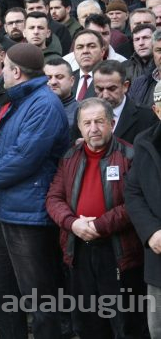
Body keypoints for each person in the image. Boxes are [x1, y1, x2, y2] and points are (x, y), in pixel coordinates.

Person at [0, 43, 70, 339]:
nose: (0, 70)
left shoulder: (44, 104)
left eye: (5, 65)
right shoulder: (9, 100)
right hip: (3, 209)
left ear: (15, 71)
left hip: (30, 214)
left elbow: (26, 156)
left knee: (39, 296)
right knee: (0, 288)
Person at [47, 97, 146, 339]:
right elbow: (53, 198)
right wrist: (73, 224)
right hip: (78, 248)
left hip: (117, 251)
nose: (93, 129)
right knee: (87, 322)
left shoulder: (130, 155)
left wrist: (99, 225)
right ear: (79, 127)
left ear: (111, 123)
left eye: (100, 122)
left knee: (125, 322)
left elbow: (136, 202)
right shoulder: (70, 156)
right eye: (87, 123)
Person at [125, 80, 161, 339]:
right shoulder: (145, 142)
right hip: (158, 254)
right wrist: (151, 232)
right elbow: (134, 192)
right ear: (157, 110)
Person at [72, 60, 157, 145]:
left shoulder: (147, 117)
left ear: (125, 86)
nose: (105, 95)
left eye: (112, 89)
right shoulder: (82, 113)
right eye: (100, 89)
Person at [44, 57, 79, 128]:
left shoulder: (82, 112)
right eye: (48, 78)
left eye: (59, 77)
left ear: (72, 81)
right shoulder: (32, 109)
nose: (53, 82)